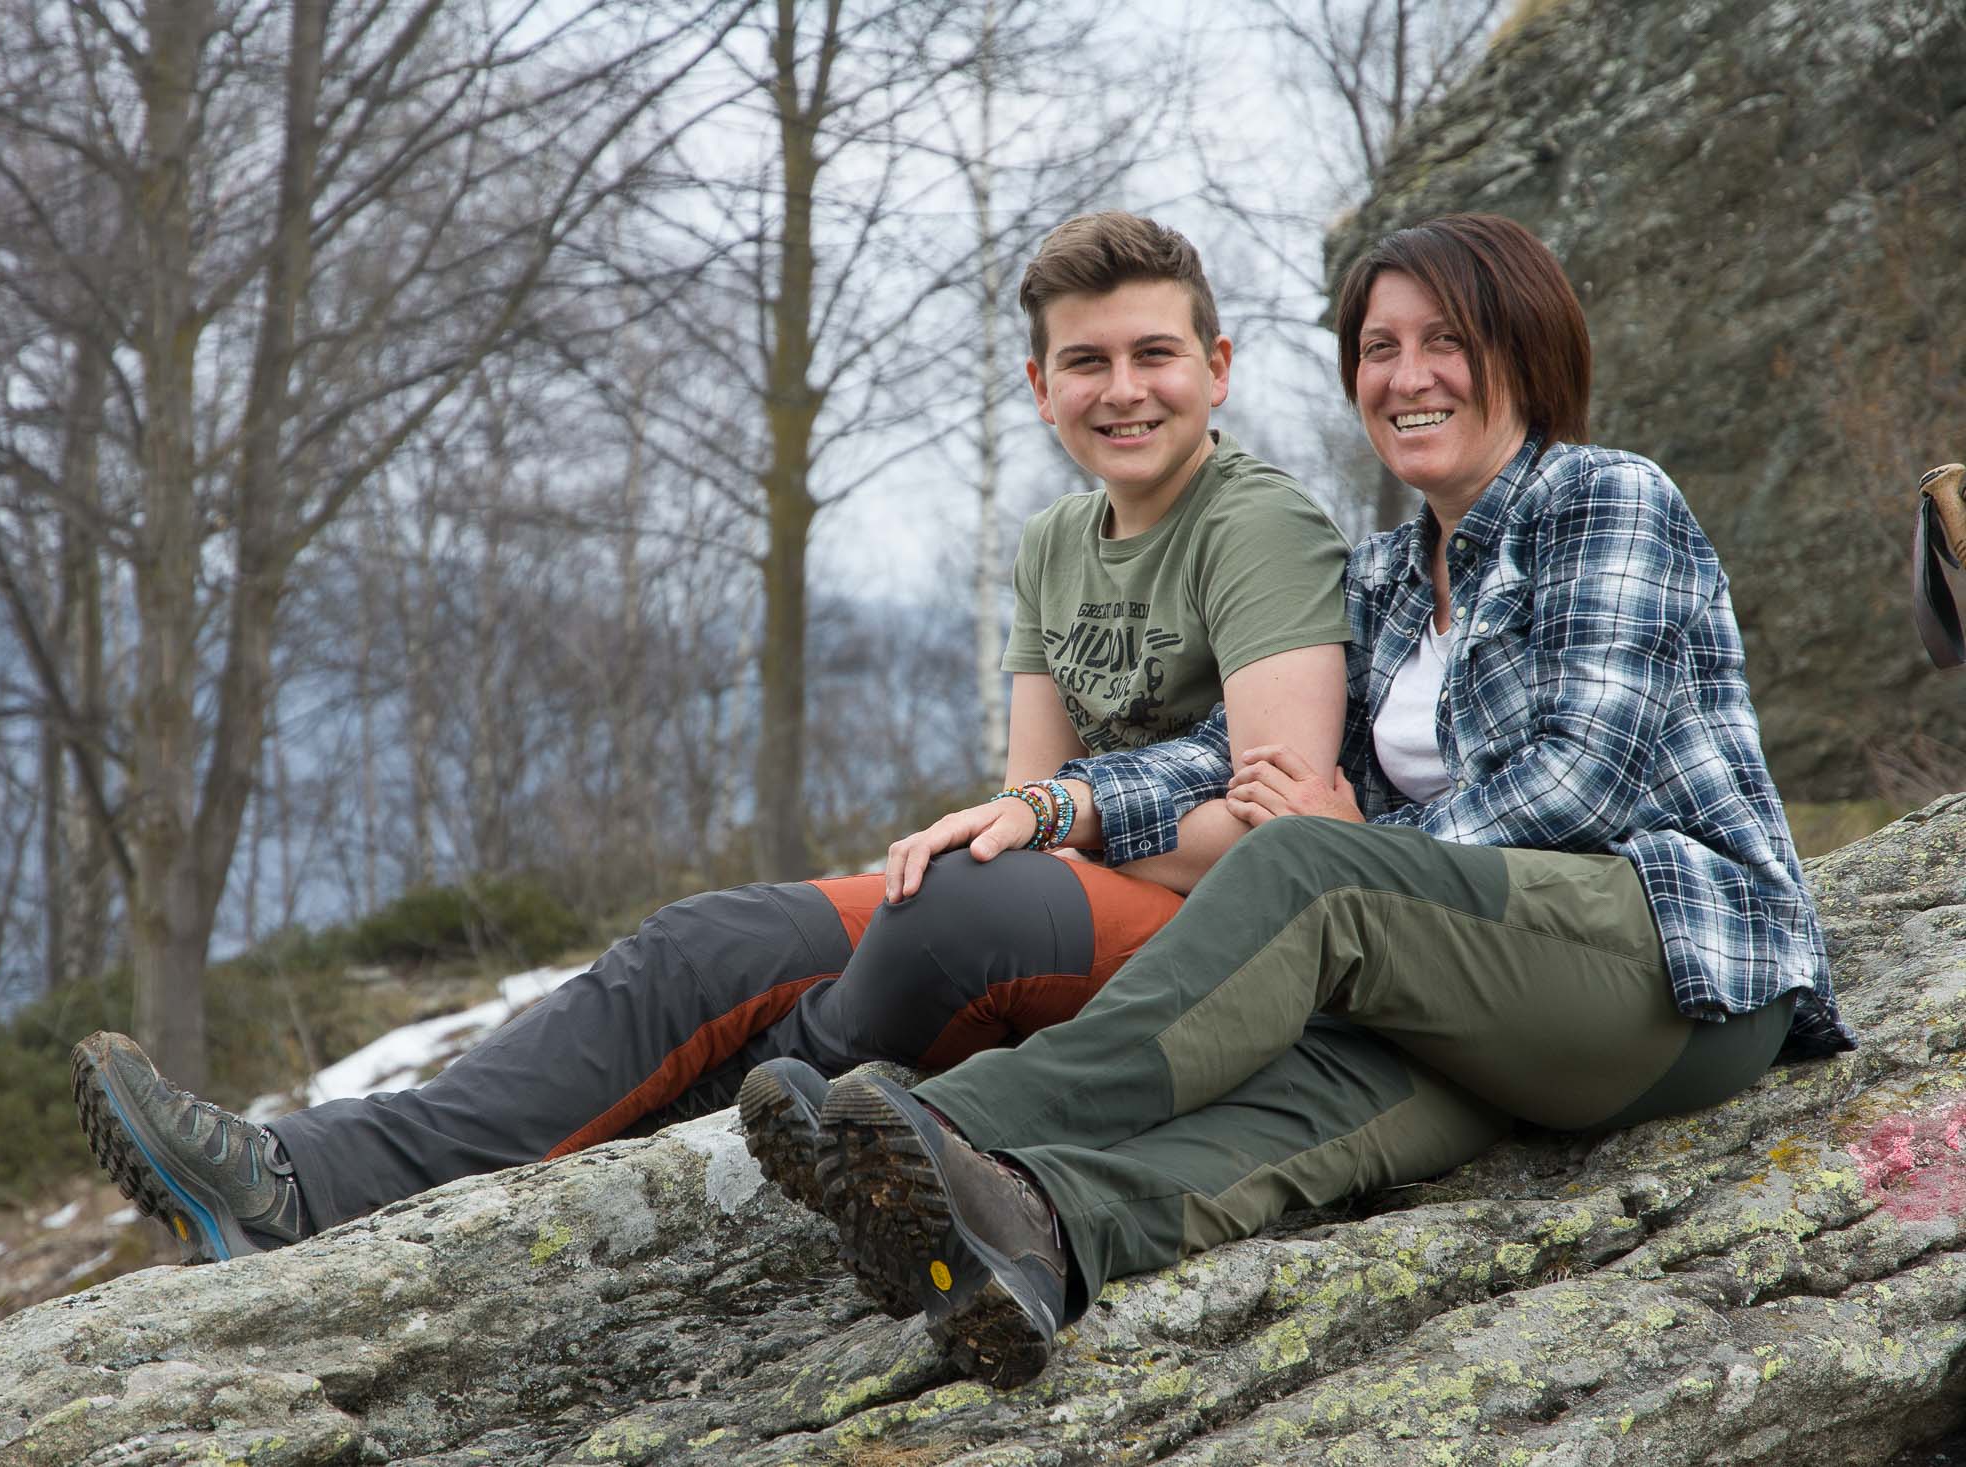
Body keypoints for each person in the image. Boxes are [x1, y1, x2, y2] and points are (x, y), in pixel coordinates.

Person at [72, 211, 1353, 1265]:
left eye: (1153, 355)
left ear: (1217, 367)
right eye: (1085, 362)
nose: (1122, 391)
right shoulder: (1053, 544)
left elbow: (1278, 847)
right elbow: (1022, 807)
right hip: (1058, 906)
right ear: (1038, 387)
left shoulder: (1258, 527)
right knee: (703, 947)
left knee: (930, 927)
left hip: (1201, 951)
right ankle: (290, 1178)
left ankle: (667, 1135)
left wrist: (1064, 824)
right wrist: (1046, 826)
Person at [742, 212, 1856, 1389]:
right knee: (1304, 1100)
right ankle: (1035, 1227)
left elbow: (1581, 780)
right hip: (1499, 1005)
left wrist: (1365, 850)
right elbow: (1229, 757)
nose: (1406, 377)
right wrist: (1051, 807)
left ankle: (947, 1123)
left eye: (1446, 341)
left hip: (1674, 971)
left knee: (1303, 868)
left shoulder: (1601, 498)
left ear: (1526, 349)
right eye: (1378, 348)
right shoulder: (1381, 577)